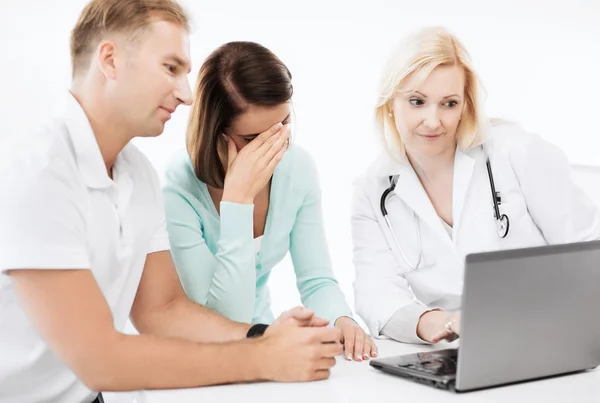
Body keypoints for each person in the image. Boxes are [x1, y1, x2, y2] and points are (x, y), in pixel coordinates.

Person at [0, 1, 343, 402]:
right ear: (110, 60)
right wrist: (262, 356)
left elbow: (163, 312)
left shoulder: (137, 174)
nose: (185, 95)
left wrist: (265, 336)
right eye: (170, 68)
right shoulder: (40, 172)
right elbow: (99, 360)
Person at [351, 26, 600, 345]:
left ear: (465, 105)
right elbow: (375, 293)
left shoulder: (515, 151)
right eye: (417, 101)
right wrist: (438, 322)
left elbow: (588, 249)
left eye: (449, 103)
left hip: (547, 334)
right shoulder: (372, 191)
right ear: (390, 104)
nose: (433, 120)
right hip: (455, 348)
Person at [163, 41, 377, 362]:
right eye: (253, 139)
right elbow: (225, 319)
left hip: (265, 344)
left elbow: (316, 279)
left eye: (283, 126)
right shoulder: (178, 185)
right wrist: (237, 202)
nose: (275, 148)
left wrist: (341, 320)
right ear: (215, 132)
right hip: (199, 356)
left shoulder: (298, 167)